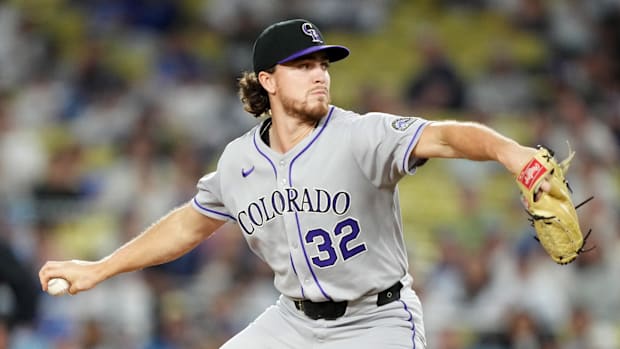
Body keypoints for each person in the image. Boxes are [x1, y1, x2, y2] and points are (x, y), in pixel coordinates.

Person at [39, 18, 541, 348]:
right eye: (303, 66)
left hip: (376, 322)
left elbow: (447, 137)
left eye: (323, 64)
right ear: (268, 81)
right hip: (292, 323)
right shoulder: (239, 161)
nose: (319, 75)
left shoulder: (360, 135)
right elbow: (187, 227)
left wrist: (511, 153)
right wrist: (100, 269)